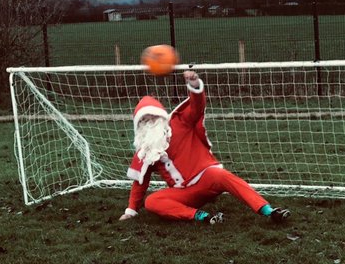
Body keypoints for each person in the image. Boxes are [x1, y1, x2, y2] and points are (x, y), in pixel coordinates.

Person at [119, 67, 289, 227]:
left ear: (161, 115)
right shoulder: (144, 150)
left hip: (207, 177)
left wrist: (194, 86)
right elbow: (140, 182)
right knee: (152, 202)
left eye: (152, 116)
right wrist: (131, 210)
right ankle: (201, 216)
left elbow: (197, 108)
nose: (150, 121)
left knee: (222, 175)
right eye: (144, 119)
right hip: (185, 193)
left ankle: (268, 210)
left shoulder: (179, 122)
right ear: (138, 125)